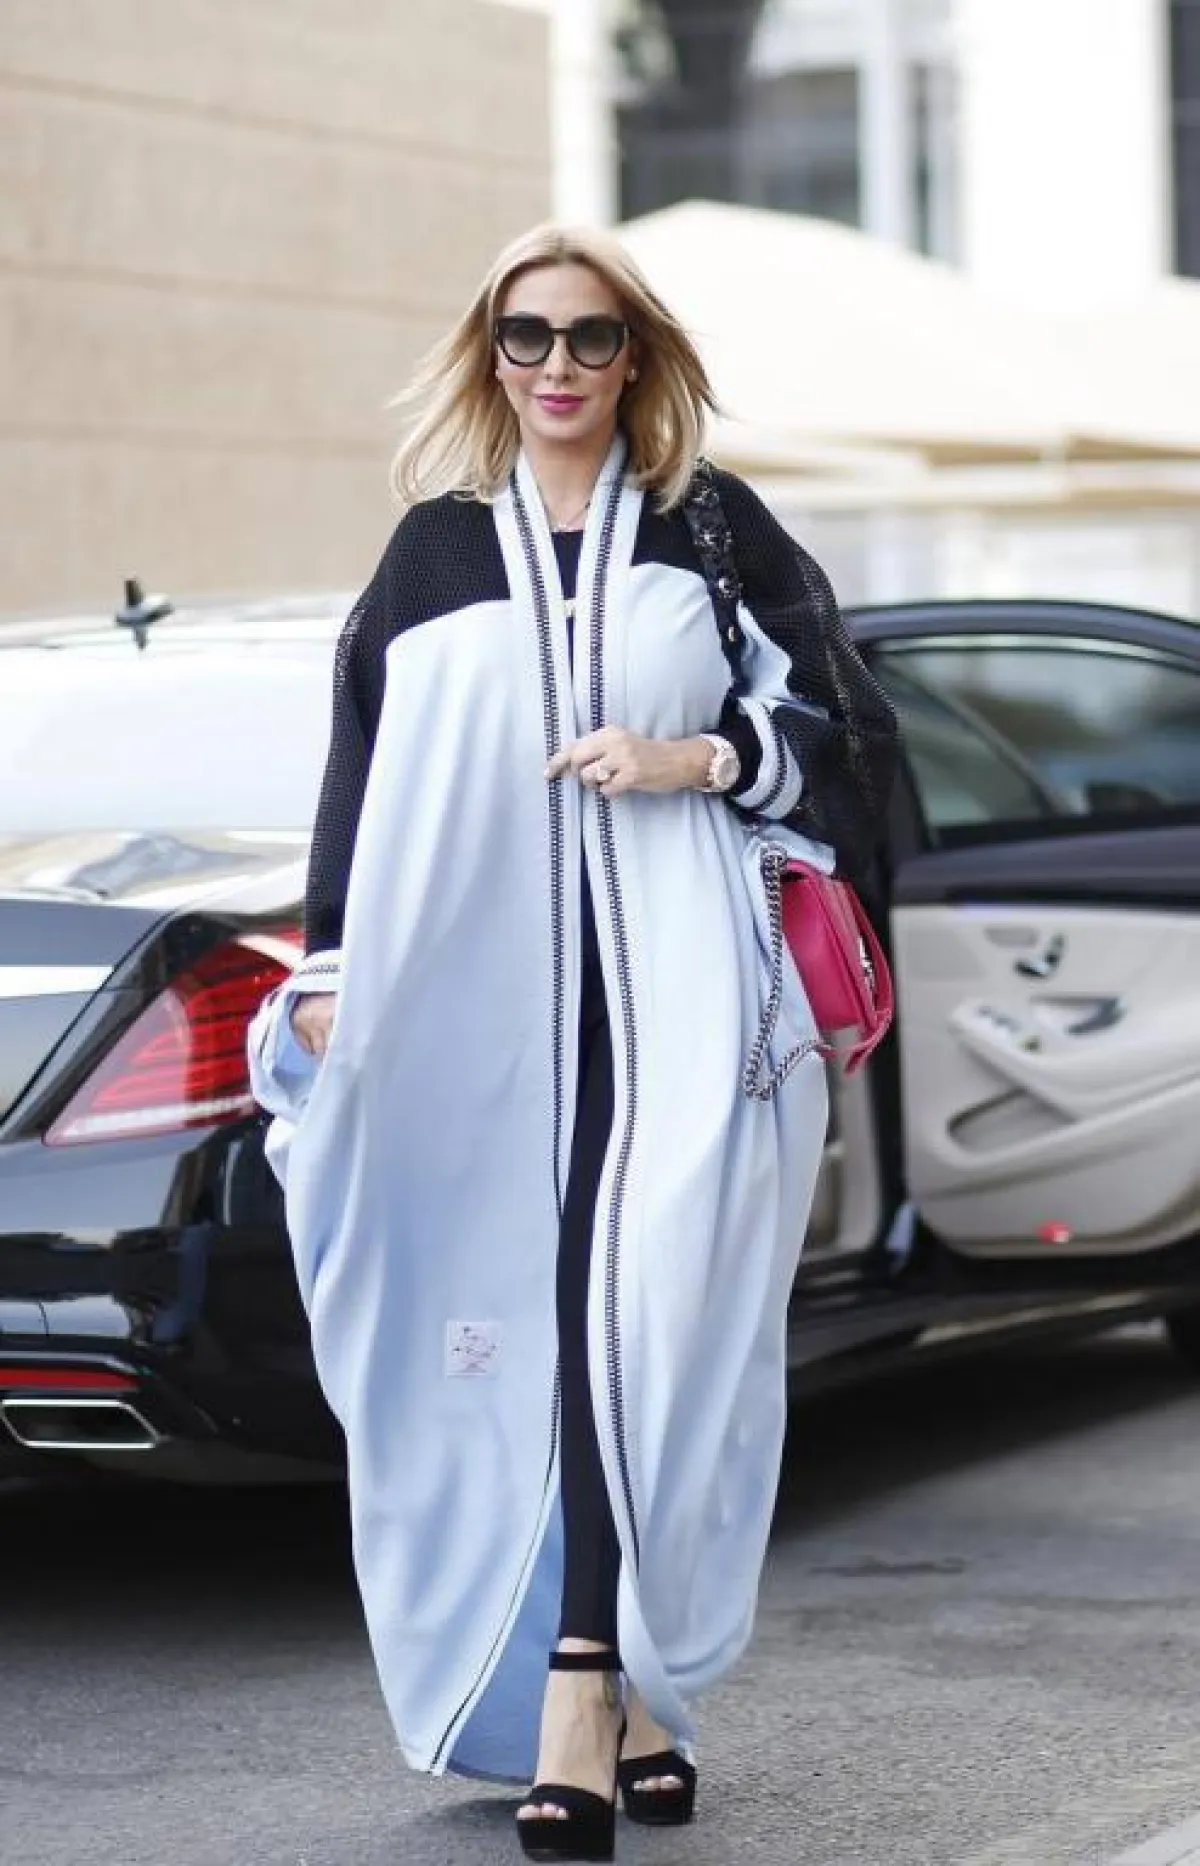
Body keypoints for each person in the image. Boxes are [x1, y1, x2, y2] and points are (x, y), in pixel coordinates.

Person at [248, 222, 897, 1863]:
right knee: (523, 1346)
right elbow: (362, 772)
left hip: (683, 1008)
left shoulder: (710, 527)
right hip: (480, 1024)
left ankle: (582, 1688)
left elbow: (845, 728)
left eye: (591, 336)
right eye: (527, 336)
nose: (558, 366)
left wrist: (696, 759)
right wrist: (329, 965)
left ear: (636, 357)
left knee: (641, 1336)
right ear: (491, 355)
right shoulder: (430, 554)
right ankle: (634, 1704)